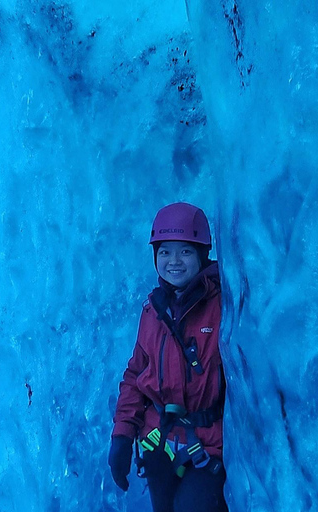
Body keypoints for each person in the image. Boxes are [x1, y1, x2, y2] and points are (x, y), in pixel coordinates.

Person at [108, 202, 228, 512]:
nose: (173, 261)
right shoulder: (152, 311)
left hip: (207, 445)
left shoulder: (221, 307)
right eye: (165, 252)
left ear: (202, 255)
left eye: (185, 251)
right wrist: (122, 436)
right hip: (158, 444)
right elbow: (136, 376)